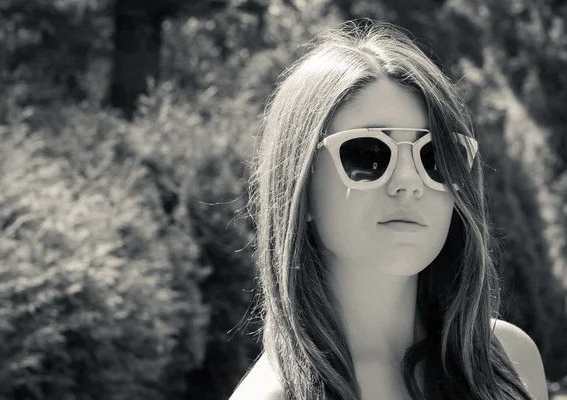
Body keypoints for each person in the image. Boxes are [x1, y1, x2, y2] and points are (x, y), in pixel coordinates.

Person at [230, 19, 548, 400]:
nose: (410, 181)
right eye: (368, 153)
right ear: (300, 186)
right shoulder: (274, 396)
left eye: (435, 158)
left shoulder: (511, 363)